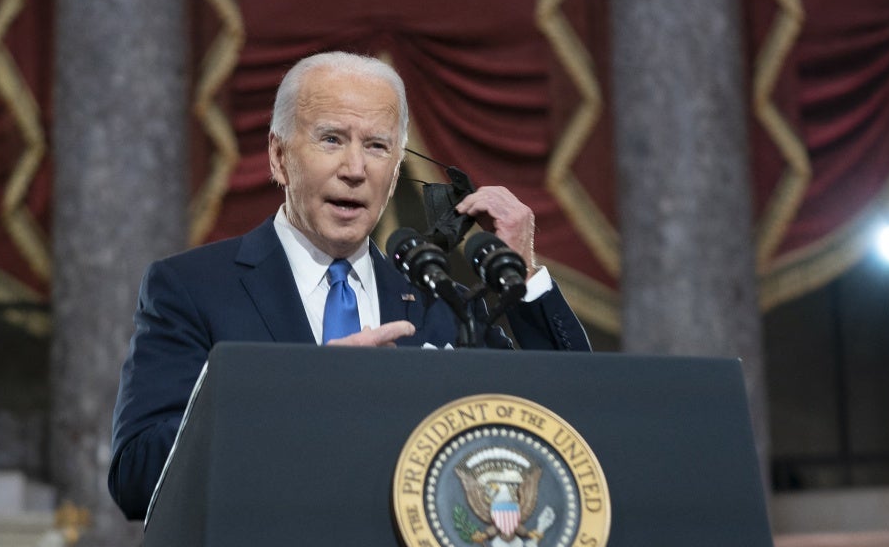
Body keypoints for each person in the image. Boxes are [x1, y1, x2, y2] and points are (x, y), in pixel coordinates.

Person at [109, 51, 590, 520]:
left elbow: (573, 424)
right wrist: (304, 395)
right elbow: (138, 475)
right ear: (279, 157)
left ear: (397, 168)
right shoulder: (192, 288)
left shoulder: (439, 301)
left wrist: (522, 272)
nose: (355, 169)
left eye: (377, 146)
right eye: (332, 139)